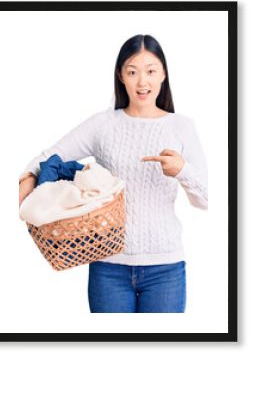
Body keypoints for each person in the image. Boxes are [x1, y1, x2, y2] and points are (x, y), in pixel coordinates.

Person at [19, 34, 208, 313]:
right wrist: (26, 181)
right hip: (108, 268)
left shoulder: (182, 127)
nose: (142, 82)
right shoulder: (103, 125)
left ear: (163, 74)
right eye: (132, 72)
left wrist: (182, 170)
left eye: (150, 71)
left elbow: (205, 199)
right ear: (121, 75)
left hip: (165, 269)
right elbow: (48, 158)